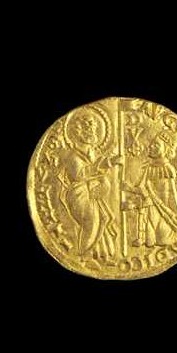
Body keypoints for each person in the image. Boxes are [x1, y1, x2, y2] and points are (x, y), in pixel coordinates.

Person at [58, 110, 122, 262]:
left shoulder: (92, 152)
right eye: (87, 128)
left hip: (92, 192)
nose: (92, 131)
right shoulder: (72, 155)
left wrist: (106, 170)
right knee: (92, 221)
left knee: (104, 218)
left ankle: (101, 256)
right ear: (77, 132)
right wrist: (107, 163)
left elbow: (96, 169)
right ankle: (83, 255)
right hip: (78, 193)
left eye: (93, 128)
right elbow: (80, 174)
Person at [124, 130, 177, 248]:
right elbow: (142, 187)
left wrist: (133, 198)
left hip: (162, 212)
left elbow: (164, 198)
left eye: (156, 145)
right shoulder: (149, 167)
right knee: (151, 239)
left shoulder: (167, 170)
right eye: (151, 144)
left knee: (162, 239)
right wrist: (129, 189)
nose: (151, 147)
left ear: (166, 149)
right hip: (149, 211)